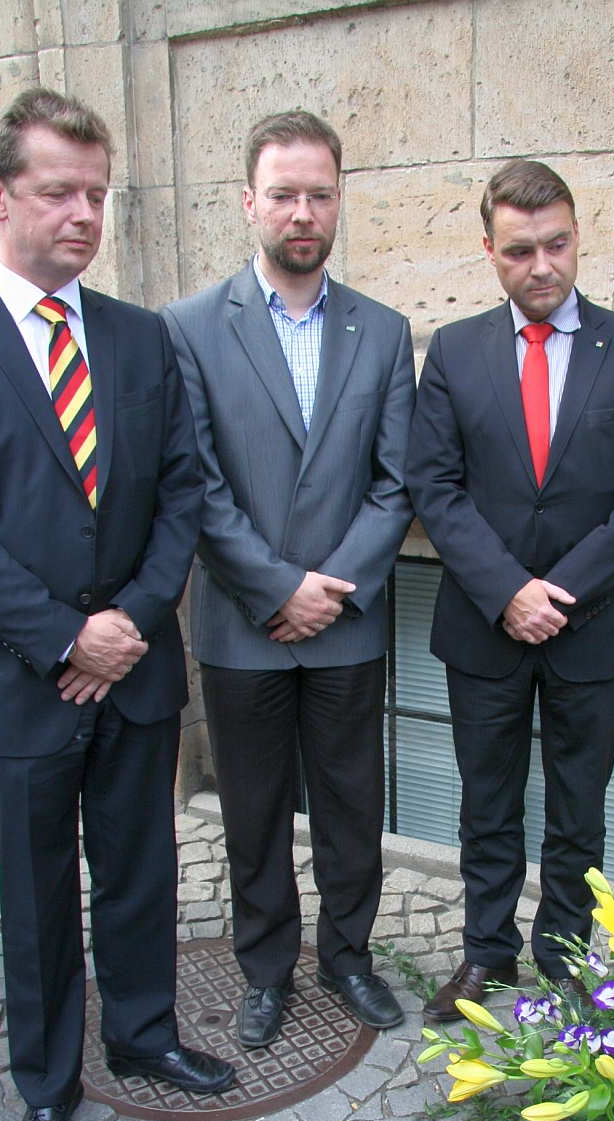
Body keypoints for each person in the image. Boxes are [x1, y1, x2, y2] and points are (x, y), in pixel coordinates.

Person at [0, 87, 234, 1121]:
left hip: (137, 675)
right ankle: (48, 1085)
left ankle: (144, 1034)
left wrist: (130, 625)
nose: (84, 214)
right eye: (60, 191)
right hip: (19, 687)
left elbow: (184, 498)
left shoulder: (141, 339)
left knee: (142, 870)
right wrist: (66, 640)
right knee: (39, 896)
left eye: (98, 194)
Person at [407, 159, 614, 1022]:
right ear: (490, 251)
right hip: (484, 629)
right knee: (486, 806)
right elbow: (433, 486)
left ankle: (564, 960)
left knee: (578, 810)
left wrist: (551, 594)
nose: (543, 265)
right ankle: (486, 957)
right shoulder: (454, 351)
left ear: (578, 237)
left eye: (557, 244)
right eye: (520, 249)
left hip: (592, 628)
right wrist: (505, 593)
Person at [164, 111, 415, 1046]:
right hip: (241, 626)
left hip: (346, 625)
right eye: (284, 194)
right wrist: (276, 589)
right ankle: (265, 971)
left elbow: (397, 483)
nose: (302, 211)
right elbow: (194, 483)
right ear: (249, 202)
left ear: (340, 198)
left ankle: (348, 958)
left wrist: (331, 587)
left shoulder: (383, 332)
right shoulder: (188, 328)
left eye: (319, 193)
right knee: (255, 815)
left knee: (354, 808)